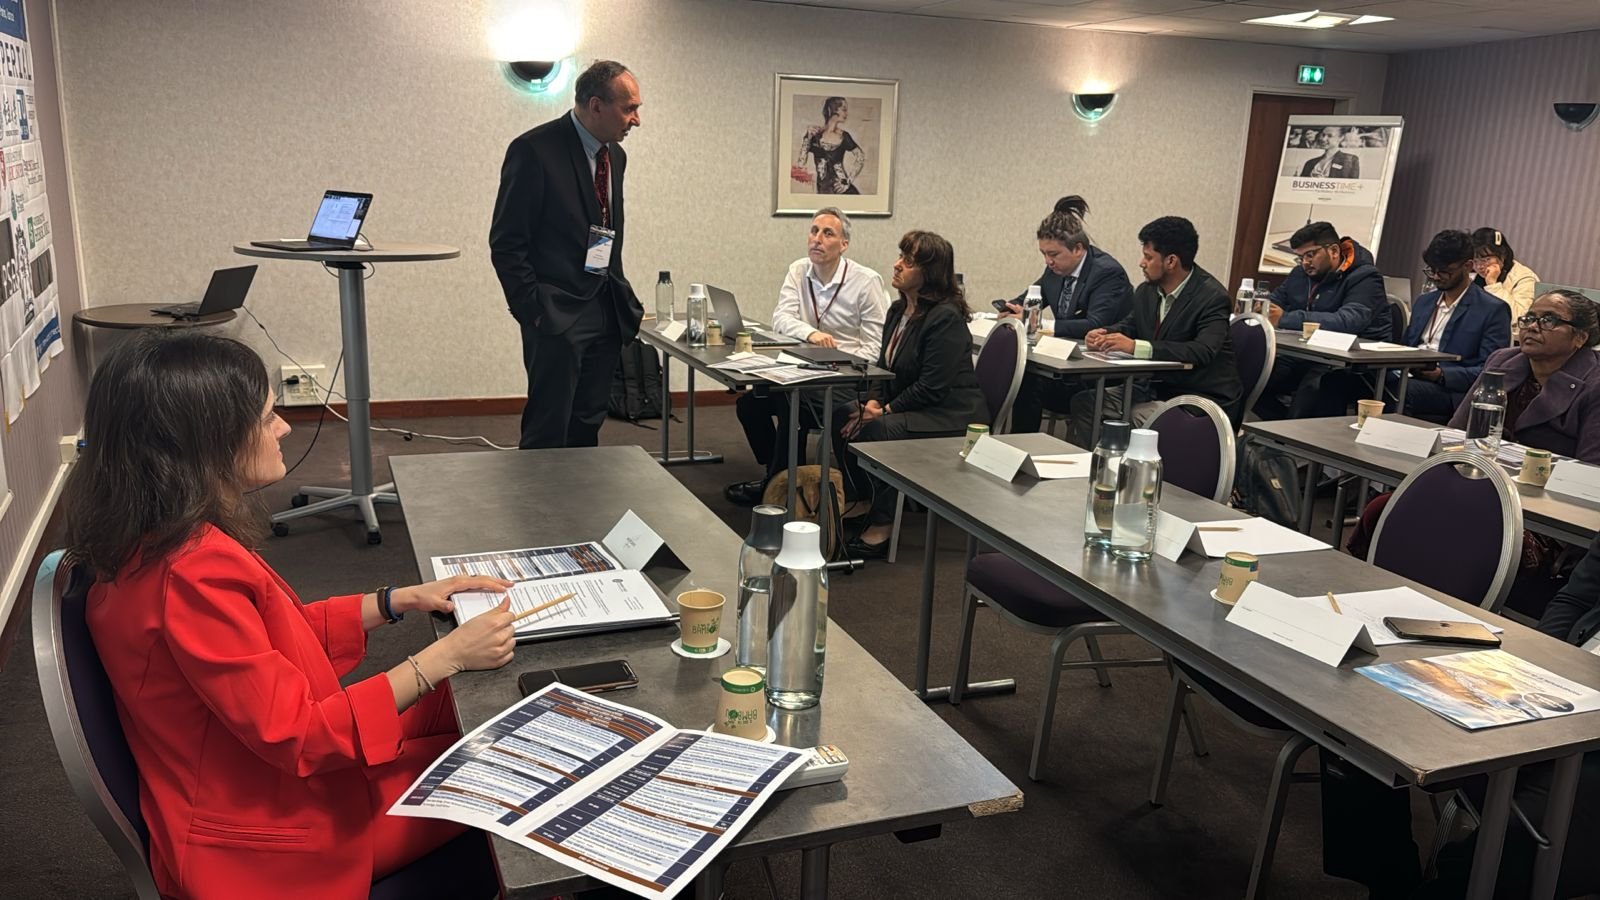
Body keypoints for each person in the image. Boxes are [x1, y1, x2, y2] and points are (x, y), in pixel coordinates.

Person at [60, 330, 517, 900]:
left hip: (259, 784)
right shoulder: (191, 576)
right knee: (511, 764)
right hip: (274, 843)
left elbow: (275, 640)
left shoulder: (154, 539)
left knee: (482, 714)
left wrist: (397, 599)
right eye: (267, 417)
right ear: (207, 442)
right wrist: (442, 657)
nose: (284, 429)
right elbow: (300, 736)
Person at [1321, 526, 1600, 899]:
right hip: (1571, 680)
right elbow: (1576, 599)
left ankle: (1450, 886)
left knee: (1534, 828)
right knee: (1364, 712)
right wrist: (1548, 665)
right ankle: (1388, 879)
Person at [490, 59, 644, 449]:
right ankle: (539, 493)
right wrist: (533, 309)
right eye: (629, 108)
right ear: (596, 105)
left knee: (587, 422)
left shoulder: (616, 157)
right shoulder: (534, 150)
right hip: (555, 314)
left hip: (605, 309)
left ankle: (579, 492)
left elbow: (603, 225)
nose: (636, 120)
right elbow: (507, 242)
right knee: (548, 427)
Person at [724, 207, 889, 505]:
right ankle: (781, 477)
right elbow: (781, 318)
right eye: (814, 231)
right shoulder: (799, 270)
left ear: (844, 244)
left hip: (849, 379)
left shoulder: (866, 282)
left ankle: (780, 488)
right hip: (806, 369)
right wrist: (811, 335)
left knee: (790, 401)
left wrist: (834, 356)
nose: (817, 239)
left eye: (828, 233)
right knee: (750, 404)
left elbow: (875, 349)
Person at [837, 230, 986, 558]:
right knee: (842, 414)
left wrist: (883, 412)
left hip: (948, 414)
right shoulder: (897, 310)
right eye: (900, 256)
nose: (897, 265)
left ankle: (884, 524)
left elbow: (932, 387)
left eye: (908, 261)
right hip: (910, 406)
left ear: (930, 273)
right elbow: (882, 367)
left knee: (877, 430)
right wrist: (872, 402)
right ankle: (863, 499)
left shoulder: (945, 318)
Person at [1069, 216, 1239, 441]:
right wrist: (1104, 334)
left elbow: (1202, 350)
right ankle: (1100, 460)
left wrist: (1137, 347)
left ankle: (1131, 463)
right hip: (1154, 387)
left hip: (1197, 396)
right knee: (1086, 403)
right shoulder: (1147, 291)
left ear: (1171, 261)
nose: (1142, 263)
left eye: (1148, 257)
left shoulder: (1212, 297)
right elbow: (1131, 325)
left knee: (1137, 416)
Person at [1002, 196, 1133, 433]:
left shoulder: (1107, 273)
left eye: (1053, 254)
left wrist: (1037, 323)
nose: (1048, 261)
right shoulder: (1055, 270)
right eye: (1043, 254)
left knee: (1027, 382)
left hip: (1098, 373)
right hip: (1064, 364)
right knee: (1015, 374)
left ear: (1078, 249)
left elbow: (1094, 324)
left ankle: (1022, 442)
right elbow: (1030, 297)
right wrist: (1010, 309)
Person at [1254, 221, 1391, 420]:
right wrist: (1262, 308)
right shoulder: (1300, 274)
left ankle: (1292, 433)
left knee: (1314, 388)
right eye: (1300, 257)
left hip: (1351, 363)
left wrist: (1285, 318)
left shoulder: (1365, 277)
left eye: (1310, 255)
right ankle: (1279, 429)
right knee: (1251, 375)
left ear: (1333, 251)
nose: (1305, 263)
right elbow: (1275, 301)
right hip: (1307, 354)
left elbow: (1349, 321)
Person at [1448, 290, 1600, 462]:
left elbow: (1592, 467)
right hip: (1486, 468)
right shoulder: (1502, 360)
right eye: (1529, 318)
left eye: (1548, 320)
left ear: (1580, 337)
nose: (1532, 327)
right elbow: (1457, 431)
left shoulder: (1594, 383)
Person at [1397, 229, 1512, 420]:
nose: (1435, 277)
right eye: (1431, 270)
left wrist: (1441, 374)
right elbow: (1404, 348)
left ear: (1468, 266)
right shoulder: (1424, 302)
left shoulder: (1492, 310)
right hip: (1411, 375)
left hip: (1451, 391)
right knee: (1358, 379)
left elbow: (1490, 370)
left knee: (1399, 390)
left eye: (1444, 271)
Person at [794, 96, 866, 195]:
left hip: (843, 192)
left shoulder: (844, 136)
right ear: (834, 111)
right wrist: (807, 137)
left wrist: (848, 181)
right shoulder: (814, 135)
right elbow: (801, 164)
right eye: (844, 110)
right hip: (823, 191)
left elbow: (860, 156)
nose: (846, 114)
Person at [1473, 227, 1542, 321]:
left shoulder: (1524, 278)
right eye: (1475, 261)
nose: (1479, 266)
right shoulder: (1471, 276)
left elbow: (1519, 319)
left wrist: (1493, 285)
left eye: (1486, 260)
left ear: (1503, 254)